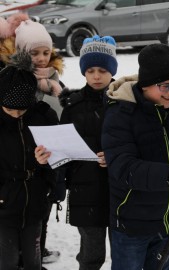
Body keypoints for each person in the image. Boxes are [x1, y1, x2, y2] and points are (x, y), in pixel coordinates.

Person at [101, 43, 169, 270]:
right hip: (132, 224)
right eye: (164, 86)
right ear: (145, 85)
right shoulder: (121, 112)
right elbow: (123, 166)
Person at [55, 35, 116, 269]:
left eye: (102, 69)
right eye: (90, 70)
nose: (97, 76)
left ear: (112, 69)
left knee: (124, 253)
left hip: (119, 188)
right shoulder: (73, 106)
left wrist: (115, 156)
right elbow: (62, 149)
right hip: (85, 189)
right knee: (91, 255)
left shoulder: (124, 101)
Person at [0, 51, 58, 270]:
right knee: (8, 260)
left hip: (34, 201)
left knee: (34, 259)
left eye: (21, 110)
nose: (15, 114)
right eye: (9, 109)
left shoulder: (43, 117)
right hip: (4, 205)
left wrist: (44, 165)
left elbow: (59, 160)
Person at [14, 19, 64, 266]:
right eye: (34, 53)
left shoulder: (54, 79)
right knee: (22, 210)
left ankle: (38, 248)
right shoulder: (15, 80)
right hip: (23, 153)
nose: (42, 58)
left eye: (46, 52)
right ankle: (19, 253)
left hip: (50, 152)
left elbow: (63, 109)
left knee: (43, 206)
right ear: (22, 52)